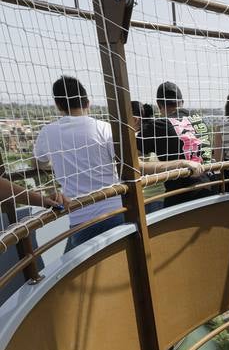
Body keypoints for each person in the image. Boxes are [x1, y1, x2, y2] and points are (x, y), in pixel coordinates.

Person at [33, 76, 126, 251]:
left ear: (58, 105)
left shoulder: (48, 132)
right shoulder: (104, 127)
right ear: (87, 102)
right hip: (115, 210)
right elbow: (124, 162)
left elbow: (38, 162)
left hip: (80, 218)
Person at [137, 82, 209, 205]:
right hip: (210, 189)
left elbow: (132, 164)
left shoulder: (156, 126)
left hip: (179, 198)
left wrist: (179, 164)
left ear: (159, 105)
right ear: (182, 102)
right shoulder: (199, 121)